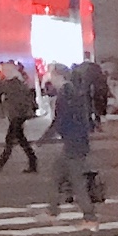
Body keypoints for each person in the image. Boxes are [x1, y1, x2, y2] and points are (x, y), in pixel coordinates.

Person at [43, 65, 97, 220]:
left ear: (58, 76)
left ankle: (89, 216)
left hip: (74, 145)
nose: (50, 80)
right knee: (57, 176)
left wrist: (47, 136)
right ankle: (52, 210)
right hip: (74, 143)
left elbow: (61, 120)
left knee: (76, 182)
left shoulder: (66, 93)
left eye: (52, 76)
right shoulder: (70, 91)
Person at [0, 61, 41, 173]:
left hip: (16, 115)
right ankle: (32, 161)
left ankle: (2, 162)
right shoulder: (20, 82)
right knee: (21, 139)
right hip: (22, 114)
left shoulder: (7, 84)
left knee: (10, 139)